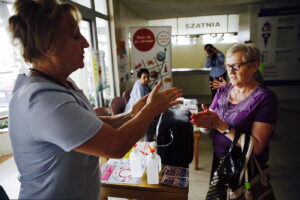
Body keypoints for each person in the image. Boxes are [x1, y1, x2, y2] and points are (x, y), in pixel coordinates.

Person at [8, 0, 182, 199]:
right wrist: (150, 110)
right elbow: (115, 146)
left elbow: (91, 127)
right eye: (75, 36)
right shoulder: (42, 100)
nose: (86, 43)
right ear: (47, 45)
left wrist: (132, 113)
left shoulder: (60, 84)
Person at [191, 43, 277, 197]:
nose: (230, 71)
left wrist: (220, 125)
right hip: (220, 163)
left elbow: (256, 147)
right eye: (228, 66)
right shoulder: (223, 90)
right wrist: (204, 123)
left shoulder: (265, 98)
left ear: (253, 66)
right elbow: (210, 122)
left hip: (245, 169)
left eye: (236, 66)